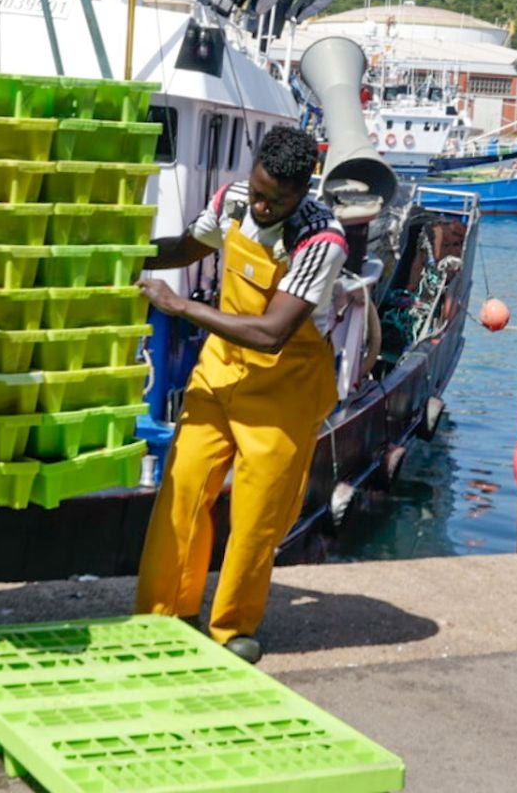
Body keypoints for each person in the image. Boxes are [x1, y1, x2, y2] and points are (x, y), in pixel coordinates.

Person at [133, 125, 347, 666]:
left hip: (284, 389)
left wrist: (178, 307)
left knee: (256, 514)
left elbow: (273, 333)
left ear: (304, 191)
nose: (262, 205)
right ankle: (166, 611)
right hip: (221, 370)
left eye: (278, 199)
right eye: (258, 190)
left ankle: (232, 625)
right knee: (183, 484)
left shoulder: (322, 242)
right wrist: (130, 254)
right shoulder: (231, 201)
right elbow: (186, 248)